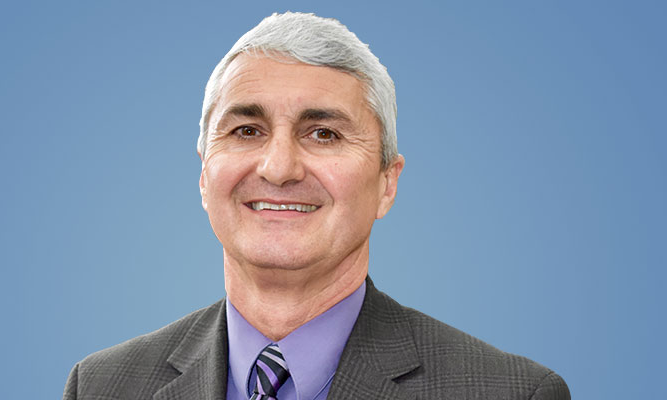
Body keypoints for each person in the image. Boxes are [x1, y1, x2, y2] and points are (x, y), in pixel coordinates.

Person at [63, 12, 569, 400]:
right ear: (203, 175)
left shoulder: (509, 392)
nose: (278, 168)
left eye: (323, 133)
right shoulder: (102, 386)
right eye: (247, 130)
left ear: (387, 183)